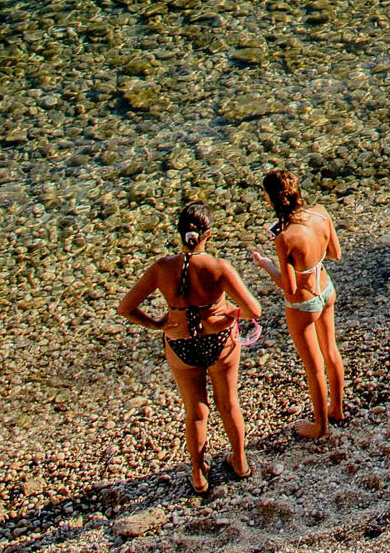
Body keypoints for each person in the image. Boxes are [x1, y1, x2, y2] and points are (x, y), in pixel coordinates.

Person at [117, 204, 263, 496]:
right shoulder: (219, 267)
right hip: (219, 343)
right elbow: (253, 310)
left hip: (180, 344)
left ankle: (198, 476)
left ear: (181, 233)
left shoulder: (161, 268)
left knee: (196, 411)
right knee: (228, 404)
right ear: (208, 234)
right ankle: (240, 462)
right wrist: (226, 314)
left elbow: (126, 308)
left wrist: (157, 324)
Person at [263, 166, 346, 441]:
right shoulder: (321, 212)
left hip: (304, 303)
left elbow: (289, 287)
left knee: (313, 367)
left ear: (273, 200)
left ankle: (320, 427)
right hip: (326, 287)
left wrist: (266, 265)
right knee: (331, 351)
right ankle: (337, 409)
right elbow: (335, 253)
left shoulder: (285, 238)